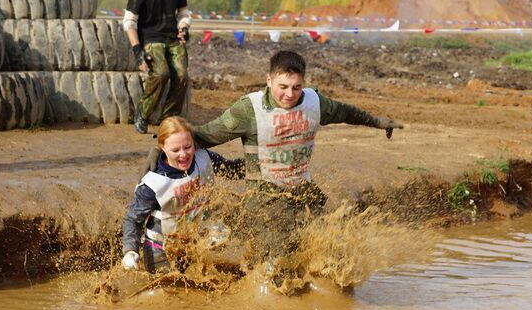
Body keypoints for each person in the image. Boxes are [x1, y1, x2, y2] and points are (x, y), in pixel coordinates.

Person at [145, 50, 404, 262]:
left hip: (302, 188)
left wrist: (378, 122)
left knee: (327, 246)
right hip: (264, 196)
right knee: (274, 258)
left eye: (296, 87)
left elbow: (346, 112)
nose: (290, 94)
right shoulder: (249, 109)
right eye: (283, 86)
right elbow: (206, 135)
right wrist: (162, 146)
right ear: (269, 80)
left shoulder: (314, 101)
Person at [122, 116, 244, 273]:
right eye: (175, 150)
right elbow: (133, 220)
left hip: (192, 244)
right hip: (159, 248)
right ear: (162, 147)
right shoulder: (152, 184)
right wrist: (130, 251)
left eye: (187, 147)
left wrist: (263, 163)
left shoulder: (204, 158)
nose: (183, 155)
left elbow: (232, 169)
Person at [123, 0, 191, 134]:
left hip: (172, 38)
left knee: (182, 75)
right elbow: (129, 22)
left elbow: (184, 12)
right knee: (161, 74)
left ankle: (168, 120)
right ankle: (142, 114)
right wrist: (138, 51)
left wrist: (184, 27)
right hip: (150, 38)